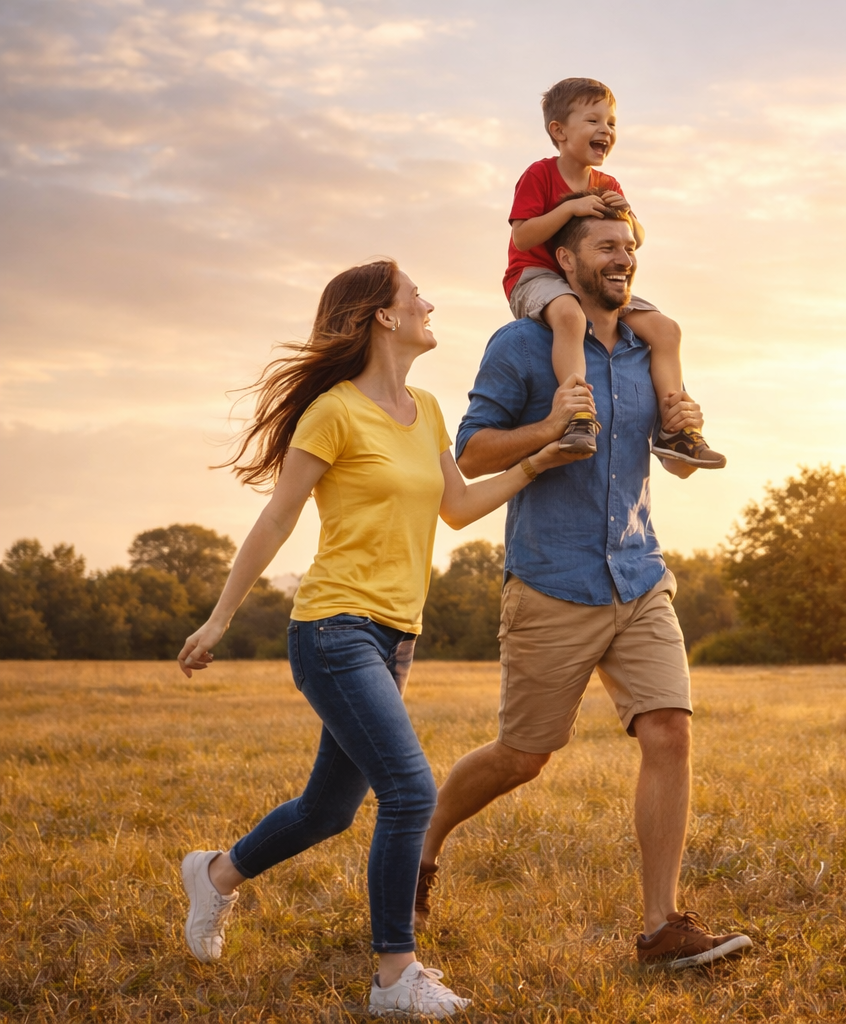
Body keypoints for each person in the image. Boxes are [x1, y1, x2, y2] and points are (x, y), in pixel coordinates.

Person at [174, 259, 587, 1018]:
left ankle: (216, 874)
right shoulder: (332, 412)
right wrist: (220, 618)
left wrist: (535, 462)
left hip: (396, 635)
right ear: (383, 318)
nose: (429, 304)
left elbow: (456, 508)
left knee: (328, 810)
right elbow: (278, 517)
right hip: (333, 628)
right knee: (410, 790)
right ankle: (396, 976)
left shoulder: (425, 409)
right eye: (415, 296)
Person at [416, 198, 752, 969]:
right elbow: (471, 453)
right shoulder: (521, 345)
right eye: (604, 246)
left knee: (669, 730)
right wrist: (549, 427)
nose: (621, 258)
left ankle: (662, 928)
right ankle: (421, 844)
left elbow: (670, 462)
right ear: (565, 262)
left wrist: (683, 429)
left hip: (638, 574)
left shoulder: (646, 349)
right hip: (551, 582)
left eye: (627, 246)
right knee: (522, 755)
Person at [503, 76, 726, 470]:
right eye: (593, 120)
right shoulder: (539, 174)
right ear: (559, 131)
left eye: (611, 122)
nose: (605, 130)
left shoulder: (607, 183)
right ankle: (577, 414)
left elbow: (636, 237)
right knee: (570, 314)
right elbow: (522, 236)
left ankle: (676, 429)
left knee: (666, 329)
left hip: (589, 282)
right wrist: (568, 209)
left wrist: (627, 214)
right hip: (535, 275)